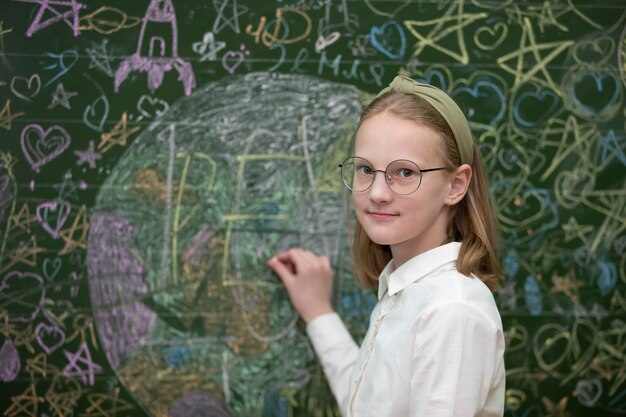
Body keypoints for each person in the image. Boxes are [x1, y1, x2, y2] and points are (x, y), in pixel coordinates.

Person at [267, 75, 505, 417]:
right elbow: (363, 404)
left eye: (405, 172)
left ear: (455, 185)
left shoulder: (451, 309)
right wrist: (318, 313)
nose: (377, 192)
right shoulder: (407, 290)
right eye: (366, 169)